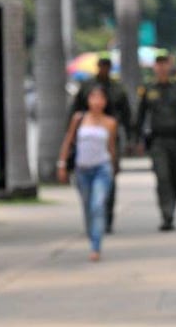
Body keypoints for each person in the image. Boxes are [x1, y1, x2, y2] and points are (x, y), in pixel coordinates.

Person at [135, 52, 176, 231]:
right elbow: (141, 116)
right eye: (158, 64)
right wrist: (138, 140)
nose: (162, 68)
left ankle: (172, 206)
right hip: (158, 141)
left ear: (169, 66)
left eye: (165, 64)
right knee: (162, 177)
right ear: (154, 67)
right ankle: (166, 215)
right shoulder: (148, 89)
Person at [70, 55, 131, 234]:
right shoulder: (87, 87)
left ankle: (107, 218)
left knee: (109, 179)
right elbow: (75, 111)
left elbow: (126, 115)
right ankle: (93, 222)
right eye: (101, 66)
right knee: (88, 191)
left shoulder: (118, 89)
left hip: (110, 136)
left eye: (107, 66)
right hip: (87, 136)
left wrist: (131, 138)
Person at [57, 86, 118, 261]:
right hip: (82, 169)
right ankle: (92, 234)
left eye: (100, 98)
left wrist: (113, 168)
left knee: (97, 206)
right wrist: (62, 164)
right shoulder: (79, 119)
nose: (97, 102)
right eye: (93, 97)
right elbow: (68, 141)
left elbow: (111, 147)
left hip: (102, 168)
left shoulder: (110, 122)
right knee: (87, 207)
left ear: (105, 102)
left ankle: (96, 246)